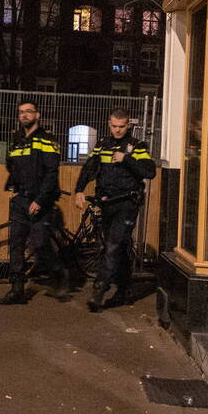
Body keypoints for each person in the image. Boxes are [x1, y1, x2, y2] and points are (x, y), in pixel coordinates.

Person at [74, 108, 156, 312]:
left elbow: (149, 172)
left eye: (121, 126)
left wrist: (126, 159)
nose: (117, 130)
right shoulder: (102, 144)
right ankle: (125, 290)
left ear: (128, 125)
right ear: (109, 124)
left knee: (112, 246)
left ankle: (99, 290)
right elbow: (90, 167)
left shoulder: (137, 146)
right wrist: (79, 189)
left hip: (127, 204)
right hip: (107, 203)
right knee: (117, 248)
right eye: (114, 126)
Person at [0, 100, 64, 305]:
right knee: (16, 245)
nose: (24, 115)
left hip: (40, 201)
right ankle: (17, 289)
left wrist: (40, 199)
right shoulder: (17, 139)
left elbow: (52, 173)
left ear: (37, 115)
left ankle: (58, 273)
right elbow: (10, 164)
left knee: (40, 243)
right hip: (21, 199)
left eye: (28, 111)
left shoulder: (47, 139)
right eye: (21, 112)